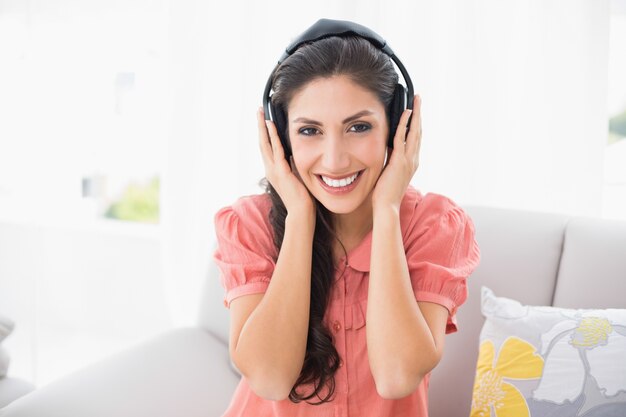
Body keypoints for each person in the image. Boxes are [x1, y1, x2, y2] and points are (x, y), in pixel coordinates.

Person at [212, 18, 481, 417]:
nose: (335, 160)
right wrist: (300, 216)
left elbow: (396, 376)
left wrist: (387, 210)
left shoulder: (435, 224)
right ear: (281, 137)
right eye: (309, 131)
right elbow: (269, 379)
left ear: (397, 129)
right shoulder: (248, 224)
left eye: (358, 127)